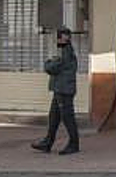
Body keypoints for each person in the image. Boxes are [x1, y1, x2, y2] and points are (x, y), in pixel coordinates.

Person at [32, 26, 81, 156]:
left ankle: (74, 144)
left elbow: (51, 67)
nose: (57, 39)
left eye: (59, 37)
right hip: (60, 89)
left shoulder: (64, 51)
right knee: (54, 117)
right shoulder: (65, 50)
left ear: (63, 38)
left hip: (64, 90)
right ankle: (47, 142)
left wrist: (47, 62)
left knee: (67, 117)